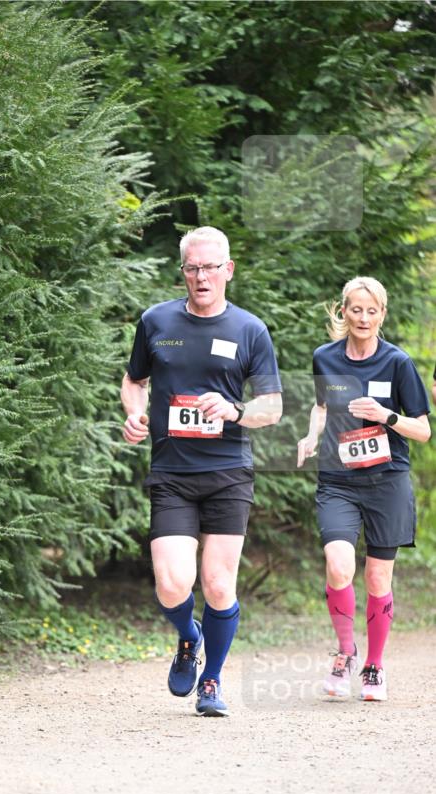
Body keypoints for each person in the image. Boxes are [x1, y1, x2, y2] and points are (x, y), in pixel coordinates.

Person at [121, 226, 282, 717]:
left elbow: (271, 407)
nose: (201, 276)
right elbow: (134, 381)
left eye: (211, 267)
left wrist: (234, 410)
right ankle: (189, 637)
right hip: (172, 471)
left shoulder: (249, 330)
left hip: (229, 472)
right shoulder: (156, 321)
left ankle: (211, 681)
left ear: (228, 270)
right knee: (172, 584)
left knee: (216, 584)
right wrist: (134, 412)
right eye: (192, 268)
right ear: (183, 271)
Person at [297, 276, 431, 702]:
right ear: (343, 311)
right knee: (338, 565)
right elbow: (321, 407)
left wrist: (385, 416)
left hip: (387, 481)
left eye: (372, 311)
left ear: (382, 315)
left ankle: (374, 665)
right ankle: (345, 652)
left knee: (377, 577)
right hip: (338, 479)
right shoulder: (325, 357)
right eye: (356, 309)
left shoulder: (398, 363)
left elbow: (423, 431)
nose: (364, 318)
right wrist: (311, 436)